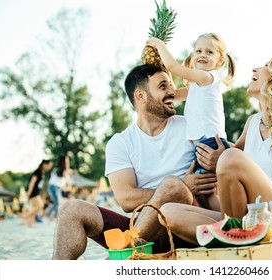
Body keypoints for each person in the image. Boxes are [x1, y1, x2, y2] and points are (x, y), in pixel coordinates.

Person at [51, 64, 222, 259]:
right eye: (163, 86)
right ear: (140, 96)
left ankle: (122, 258)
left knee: (173, 186)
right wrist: (184, 185)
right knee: (71, 210)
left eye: (171, 85)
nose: (172, 91)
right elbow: (125, 198)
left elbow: (225, 148)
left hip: (184, 225)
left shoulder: (190, 126)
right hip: (144, 230)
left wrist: (220, 156)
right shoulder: (120, 143)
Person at [158, 51, 272, 245]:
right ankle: (236, 234)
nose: (255, 69)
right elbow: (234, 162)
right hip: (251, 215)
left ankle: (234, 235)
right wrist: (216, 156)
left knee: (230, 158)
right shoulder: (253, 122)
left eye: (266, 65)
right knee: (167, 212)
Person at [146, 33, 236, 208]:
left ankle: (229, 223)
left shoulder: (208, 78)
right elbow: (174, 94)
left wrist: (158, 44)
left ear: (220, 60)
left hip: (209, 142)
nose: (202, 55)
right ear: (193, 55)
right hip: (202, 142)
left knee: (208, 192)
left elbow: (172, 65)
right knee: (206, 193)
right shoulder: (197, 85)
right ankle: (222, 223)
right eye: (198, 51)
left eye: (209, 52)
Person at [23, 159, 53, 226]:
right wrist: (29, 192)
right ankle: (26, 216)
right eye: (49, 165)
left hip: (36, 192)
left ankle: (29, 223)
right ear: (44, 165)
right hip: (33, 192)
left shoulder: (42, 172)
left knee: (35, 207)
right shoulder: (38, 171)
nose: (50, 167)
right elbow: (32, 182)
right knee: (40, 205)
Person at [45, 155, 72, 221]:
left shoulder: (64, 171)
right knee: (57, 202)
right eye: (66, 161)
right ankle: (47, 215)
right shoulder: (58, 170)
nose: (68, 162)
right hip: (53, 187)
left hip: (58, 188)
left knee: (58, 203)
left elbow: (67, 182)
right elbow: (64, 177)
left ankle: (56, 217)